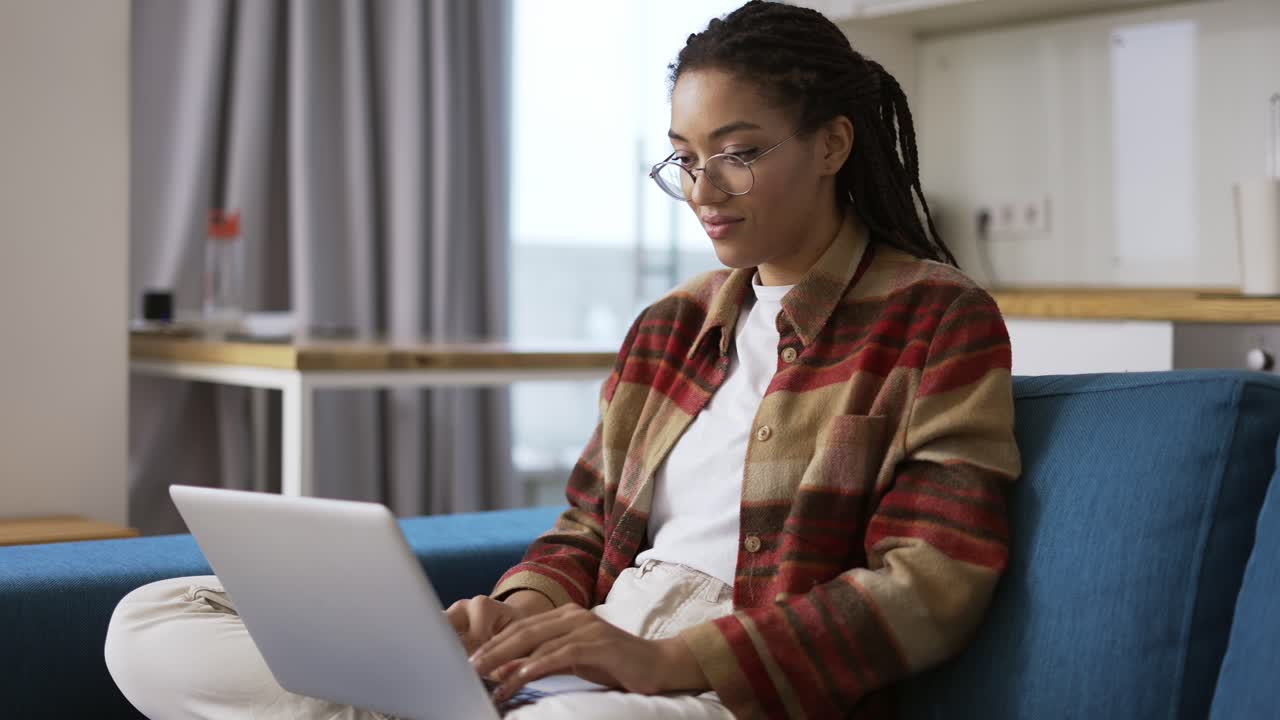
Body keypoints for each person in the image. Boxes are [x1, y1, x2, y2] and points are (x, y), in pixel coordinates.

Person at [104, 1, 1020, 718]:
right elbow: (584, 531)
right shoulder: (670, 326)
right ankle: (442, 698)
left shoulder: (935, 318)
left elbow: (931, 583)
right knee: (149, 624)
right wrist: (513, 609)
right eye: (682, 160)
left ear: (832, 143)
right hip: (595, 640)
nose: (703, 191)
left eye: (736, 156)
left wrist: (665, 661)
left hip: (726, 678)